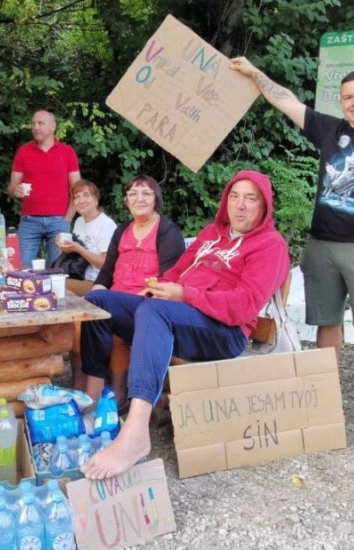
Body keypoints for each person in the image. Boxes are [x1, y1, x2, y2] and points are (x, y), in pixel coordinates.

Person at [80, 170, 290, 479]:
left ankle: (137, 433)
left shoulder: (270, 245)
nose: (240, 205)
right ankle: (94, 399)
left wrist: (183, 295)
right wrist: (157, 287)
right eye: (234, 197)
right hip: (182, 313)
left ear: (264, 206)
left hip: (222, 331)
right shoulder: (211, 234)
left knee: (154, 312)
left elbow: (243, 306)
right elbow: (176, 271)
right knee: (100, 303)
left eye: (250, 199)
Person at [231, 58, 354, 435]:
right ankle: (323, 393)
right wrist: (256, 73)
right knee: (326, 322)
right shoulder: (329, 129)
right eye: (348, 97)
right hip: (322, 245)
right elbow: (284, 100)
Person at [79, 175, 185, 401]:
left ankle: (106, 392)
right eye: (133, 194)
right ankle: (94, 389)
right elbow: (107, 272)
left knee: (101, 309)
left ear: (156, 200)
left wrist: (105, 299)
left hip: (148, 305)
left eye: (146, 193)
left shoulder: (168, 232)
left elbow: (170, 280)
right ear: (126, 201)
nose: (139, 199)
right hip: (114, 300)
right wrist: (93, 295)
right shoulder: (123, 230)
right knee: (91, 307)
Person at [7, 109, 81, 267]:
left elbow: (77, 189)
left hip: (59, 220)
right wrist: (16, 190)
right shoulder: (23, 151)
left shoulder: (67, 152)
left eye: (41, 123)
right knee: (19, 268)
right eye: (33, 123)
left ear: (53, 126)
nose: (36, 127)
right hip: (29, 220)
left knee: (58, 271)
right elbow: (12, 187)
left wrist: (67, 219)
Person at [55, 179, 117, 297]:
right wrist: (64, 247)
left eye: (86, 195)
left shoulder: (105, 225)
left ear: (96, 200)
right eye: (76, 197)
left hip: (99, 282)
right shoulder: (79, 221)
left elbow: (106, 265)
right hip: (78, 275)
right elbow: (74, 256)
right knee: (44, 278)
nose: (81, 200)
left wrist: (78, 249)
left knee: (52, 284)